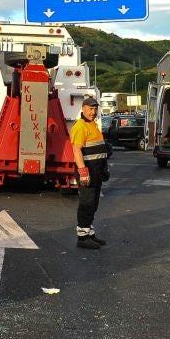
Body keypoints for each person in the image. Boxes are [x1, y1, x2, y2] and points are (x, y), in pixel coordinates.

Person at [69, 95, 110, 249]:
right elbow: (77, 150)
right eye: (90, 108)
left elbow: (100, 150)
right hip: (88, 171)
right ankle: (82, 238)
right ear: (83, 109)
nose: (93, 112)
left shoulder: (93, 125)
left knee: (93, 203)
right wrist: (83, 172)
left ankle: (89, 234)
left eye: (95, 108)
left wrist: (105, 170)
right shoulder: (80, 126)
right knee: (87, 203)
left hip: (97, 171)